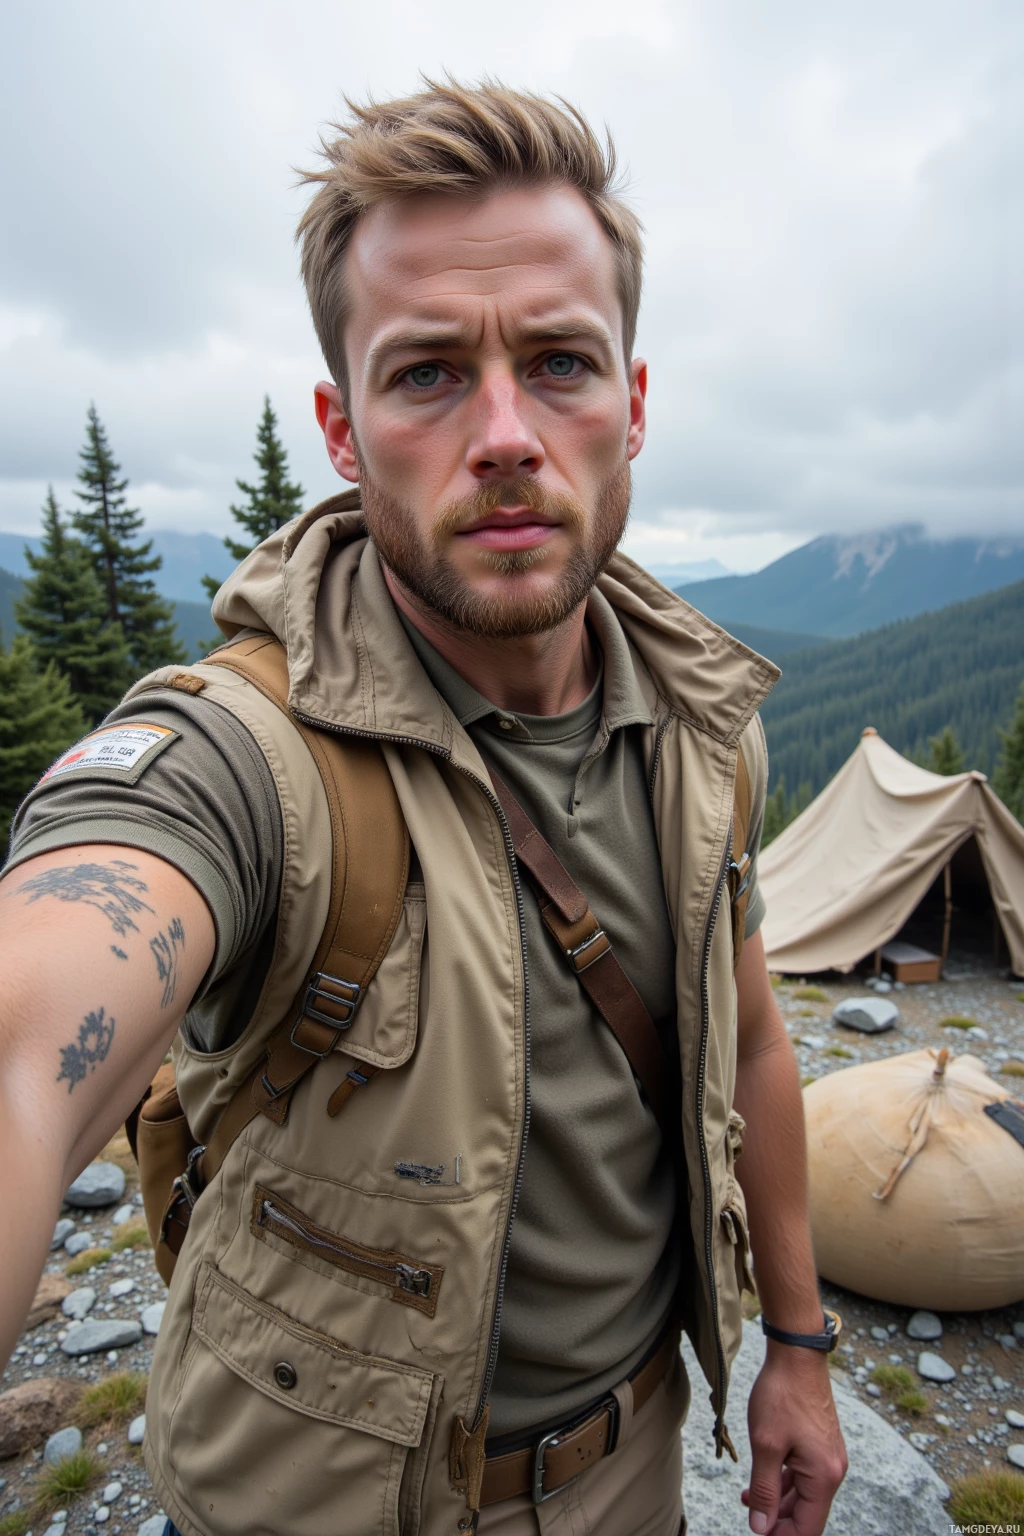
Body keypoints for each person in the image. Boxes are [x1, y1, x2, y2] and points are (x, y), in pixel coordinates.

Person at [0, 80, 846, 1536]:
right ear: (343, 427)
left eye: (563, 363)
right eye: (430, 374)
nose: (507, 432)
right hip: (311, 1505)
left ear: (633, 405)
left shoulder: (708, 732)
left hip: (631, 1473)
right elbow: (33, 1034)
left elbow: (757, 1037)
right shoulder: (253, 761)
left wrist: (803, 1349)